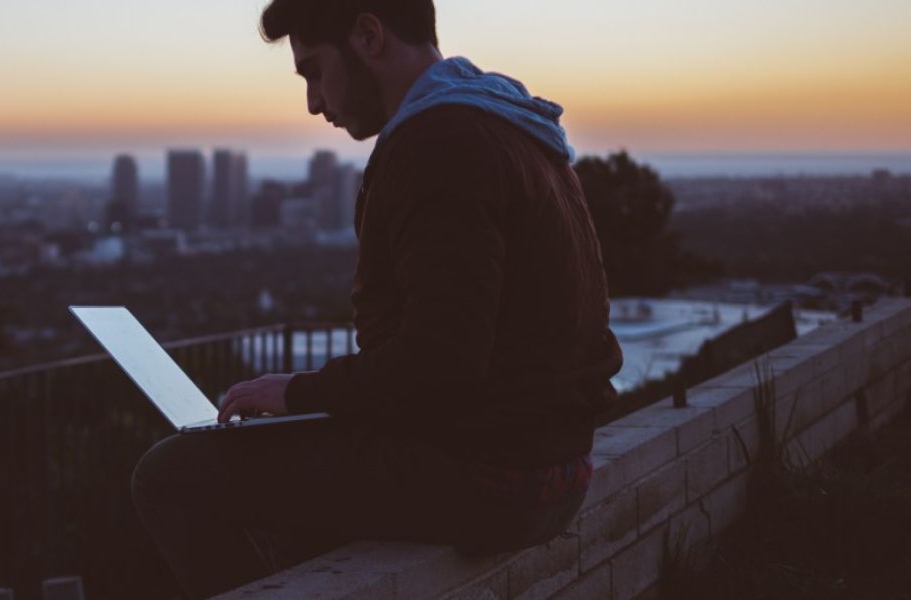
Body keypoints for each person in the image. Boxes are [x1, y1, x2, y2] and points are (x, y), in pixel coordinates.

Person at [128, 1, 626, 597]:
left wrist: (296, 392)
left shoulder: (439, 142)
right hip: (554, 468)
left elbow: (441, 364)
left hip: (495, 478)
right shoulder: (511, 125)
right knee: (290, 483)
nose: (313, 102)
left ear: (368, 35)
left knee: (169, 474)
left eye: (313, 70)